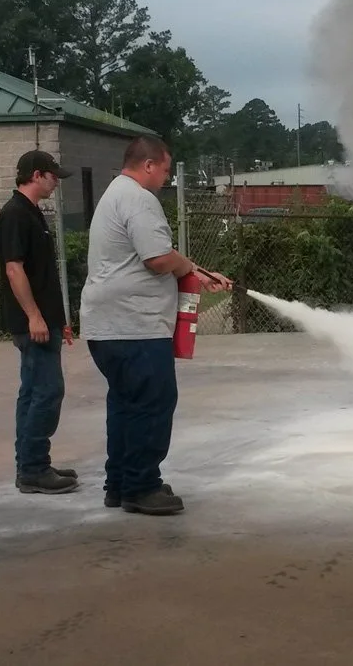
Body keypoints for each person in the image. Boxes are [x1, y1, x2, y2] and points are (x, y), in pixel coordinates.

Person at [81, 136, 232, 516]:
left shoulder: (116, 193)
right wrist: (187, 268)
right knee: (153, 403)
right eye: (165, 170)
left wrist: (196, 271)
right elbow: (159, 258)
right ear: (148, 165)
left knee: (126, 404)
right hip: (136, 326)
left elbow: (161, 257)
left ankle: (120, 483)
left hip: (109, 326)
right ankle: (141, 487)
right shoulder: (139, 199)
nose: (165, 178)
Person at [0, 150, 80, 495]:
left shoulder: (31, 213)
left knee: (32, 392)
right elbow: (14, 269)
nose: (56, 182)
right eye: (52, 175)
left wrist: (57, 320)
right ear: (35, 174)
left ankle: (30, 465)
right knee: (47, 391)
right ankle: (33, 468)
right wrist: (33, 316)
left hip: (43, 321)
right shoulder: (15, 215)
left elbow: (41, 275)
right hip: (32, 323)